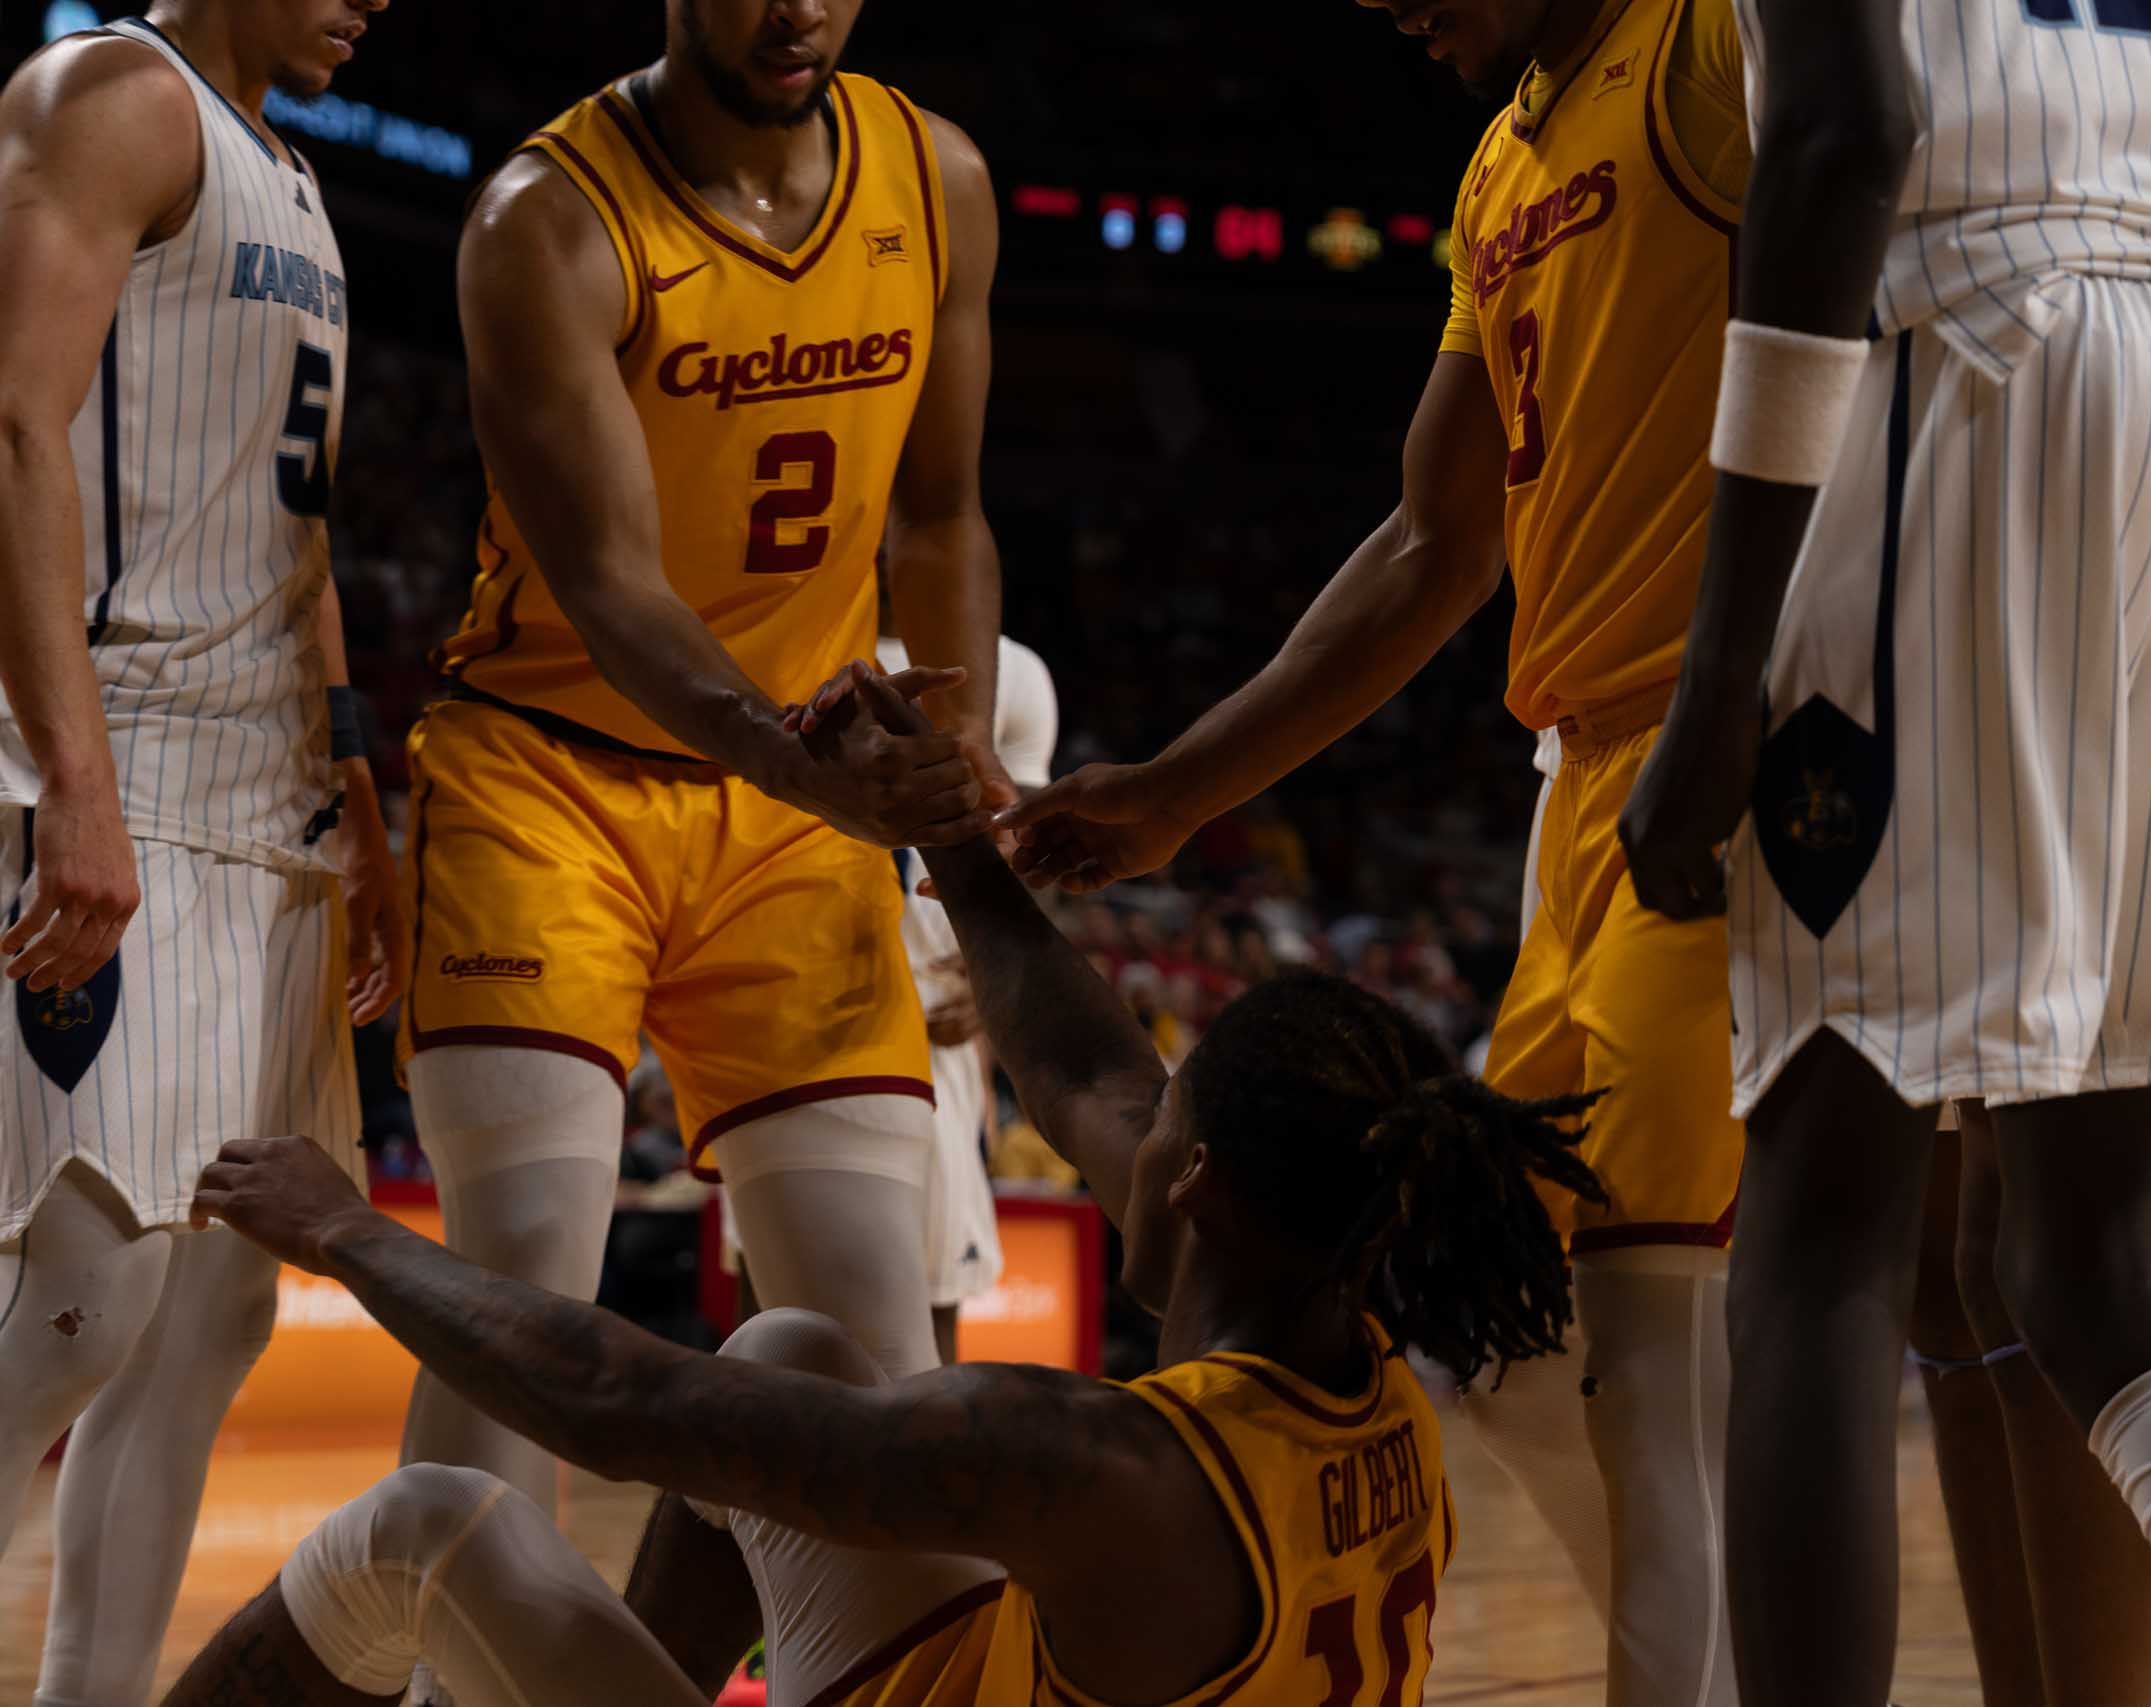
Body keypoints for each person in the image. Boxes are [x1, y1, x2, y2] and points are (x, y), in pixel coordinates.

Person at [164, 662, 1606, 1707]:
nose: (1139, 1127)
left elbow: (626, 1404)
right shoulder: (1372, 1391)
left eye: (1170, 1129)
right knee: (789, 1346)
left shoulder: (1103, 1463)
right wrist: (950, 840)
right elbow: (1090, 1073)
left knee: (428, 1524)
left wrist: (347, 1230)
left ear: (1201, 1189)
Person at [1611, 0, 2151, 1703]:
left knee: (1817, 1225)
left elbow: (1845, 135)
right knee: (2090, 1251)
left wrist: (1723, 677)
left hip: (1981, 350)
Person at [1003, 1, 1754, 1696]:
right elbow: (1435, 537)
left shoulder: (1718, 44)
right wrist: (1187, 785)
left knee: (1641, 1349)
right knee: (1488, 1324)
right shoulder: (1499, 158)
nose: (1391, 14)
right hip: (1580, 783)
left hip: (1727, 752)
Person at [394, 0, 1006, 1551]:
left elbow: (939, 520)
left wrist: (958, 791)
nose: (798, 8)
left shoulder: (934, 178)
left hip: (795, 812)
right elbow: (611, 586)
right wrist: (817, 767)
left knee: (881, 1337)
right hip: (552, 774)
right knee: (524, 1278)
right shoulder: (545, 218)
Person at [0, 3, 402, 1700]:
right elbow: (13, 427)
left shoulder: (298, 186)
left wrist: (358, 782)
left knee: (220, 1310)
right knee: (92, 1284)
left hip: (275, 803)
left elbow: (294, 529)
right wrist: (71, 781)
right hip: (130, 763)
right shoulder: (112, 95)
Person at [877, 581, 1059, 1362]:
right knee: (774, 1278)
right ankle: (724, 1489)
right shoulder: (787, 646)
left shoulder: (1013, 672)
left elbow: (1035, 859)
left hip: (941, 1018)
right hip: (807, 996)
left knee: (936, 1284)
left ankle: (923, 1479)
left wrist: (992, 993)